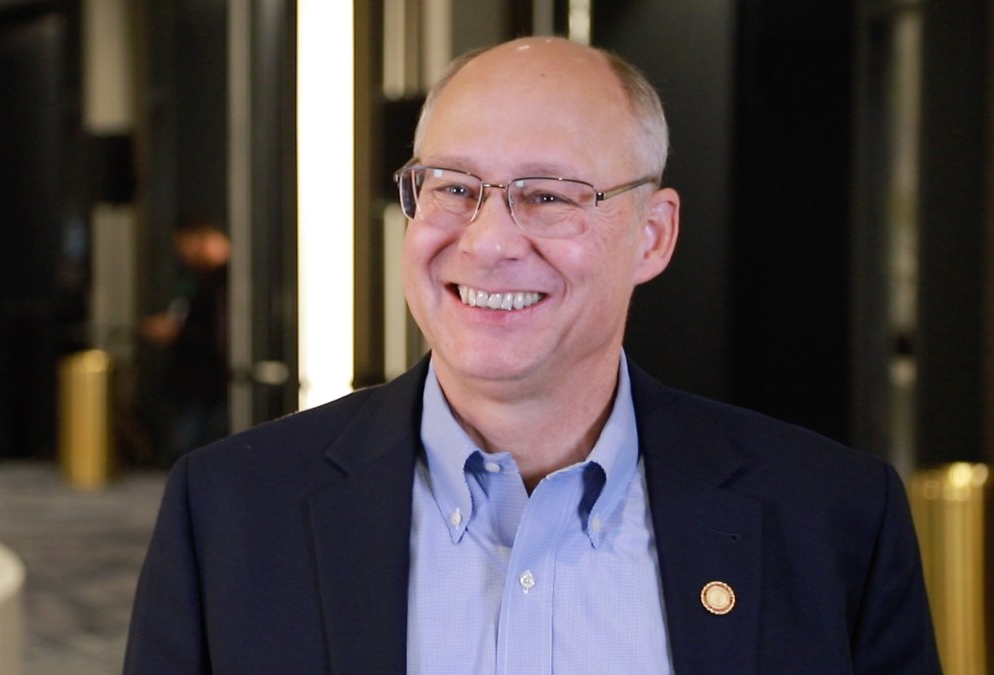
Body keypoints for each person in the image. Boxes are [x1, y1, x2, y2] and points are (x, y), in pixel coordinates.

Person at [124, 37, 940, 673]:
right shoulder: (229, 512)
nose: (487, 242)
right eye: (453, 186)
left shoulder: (831, 519)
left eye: (547, 195)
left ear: (653, 236)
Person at [139, 218, 230, 461]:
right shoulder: (200, 279)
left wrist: (177, 333)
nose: (185, 255)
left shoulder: (228, 280)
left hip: (211, 380)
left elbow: (221, 334)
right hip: (195, 380)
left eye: (186, 246)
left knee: (194, 448)